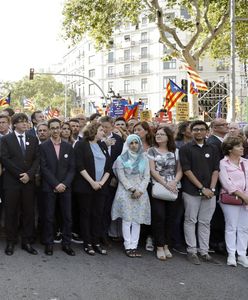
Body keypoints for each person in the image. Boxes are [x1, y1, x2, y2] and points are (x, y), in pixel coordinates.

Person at [180, 120, 220, 265]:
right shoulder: (185, 148)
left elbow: (216, 169)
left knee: (205, 222)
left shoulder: (213, 148)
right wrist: (202, 188)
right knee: (190, 220)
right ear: (191, 131)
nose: (198, 132)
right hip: (191, 191)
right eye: (195, 129)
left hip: (210, 192)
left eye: (202, 129)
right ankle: (192, 251)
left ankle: (204, 251)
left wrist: (212, 189)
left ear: (206, 131)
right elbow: (186, 170)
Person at [1, 113, 40, 255]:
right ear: (15, 124)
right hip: (12, 182)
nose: (25, 124)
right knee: (11, 213)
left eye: (26, 122)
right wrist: (20, 175)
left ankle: (26, 241)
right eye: (22, 122)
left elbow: (37, 159)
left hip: (28, 183)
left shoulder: (33, 139)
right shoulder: (6, 139)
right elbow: (5, 159)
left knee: (28, 212)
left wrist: (29, 175)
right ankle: (11, 241)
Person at [73, 123, 111, 255]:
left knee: (98, 215)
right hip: (86, 186)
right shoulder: (81, 144)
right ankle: (87, 243)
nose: (103, 132)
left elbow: (108, 166)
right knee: (86, 214)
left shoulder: (102, 145)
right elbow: (79, 165)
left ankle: (96, 242)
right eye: (101, 130)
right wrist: (92, 182)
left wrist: (101, 182)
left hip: (101, 186)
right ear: (93, 131)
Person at [40, 118, 75, 256]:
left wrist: (64, 184)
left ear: (61, 128)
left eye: (57, 127)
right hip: (49, 187)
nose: (55, 130)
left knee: (67, 217)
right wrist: (55, 184)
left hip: (65, 188)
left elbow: (72, 169)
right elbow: (44, 168)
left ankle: (67, 243)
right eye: (52, 128)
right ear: (49, 130)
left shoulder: (68, 147)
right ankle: (49, 244)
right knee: (49, 217)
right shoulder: (43, 147)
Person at [112, 134, 151, 257]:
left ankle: (134, 245)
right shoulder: (121, 159)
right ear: (127, 145)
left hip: (141, 192)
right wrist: (132, 189)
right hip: (126, 191)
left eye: (136, 142)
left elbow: (147, 176)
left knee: (137, 220)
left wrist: (140, 190)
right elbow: (121, 177)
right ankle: (127, 245)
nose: (134, 145)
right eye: (131, 143)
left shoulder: (144, 158)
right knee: (127, 219)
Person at [148, 126, 182, 261]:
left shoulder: (176, 151)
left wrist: (174, 182)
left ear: (168, 137)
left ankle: (167, 244)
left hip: (174, 187)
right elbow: (152, 170)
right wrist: (165, 183)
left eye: (162, 134)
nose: (158, 136)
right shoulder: (152, 150)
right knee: (159, 217)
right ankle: (159, 246)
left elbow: (180, 170)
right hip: (158, 186)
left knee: (171, 218)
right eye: (157, 134)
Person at [219, 136, 248, 267]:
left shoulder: (245, 162)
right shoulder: (223, 163)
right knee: (231, 227)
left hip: (247, 199)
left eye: (242, 145)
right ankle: (231, 254)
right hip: (231, 199)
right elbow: (226, 182)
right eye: (238, 146)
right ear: (230, 149)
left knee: (244, 228)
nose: (242, 148)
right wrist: (242, 195)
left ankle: (242, 254)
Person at [207, 118, 228, 254]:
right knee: (216, 215)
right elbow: (216, 166)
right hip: (217, 183)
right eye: (223, 125)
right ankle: (215, 242)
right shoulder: (214, 143)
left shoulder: (219, 142)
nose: (226, 126)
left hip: (222, 182)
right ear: (214, 127)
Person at [134, 121, 154, 251]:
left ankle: (150, 237)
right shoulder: (130, 144)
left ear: (146, 131)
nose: (136, 132)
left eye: (139, 130)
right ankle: (136, 237)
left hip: (152, 182)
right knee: (136, 210)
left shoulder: (153, 146)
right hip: (136, 183)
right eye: (134, 130)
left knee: (150, 210)